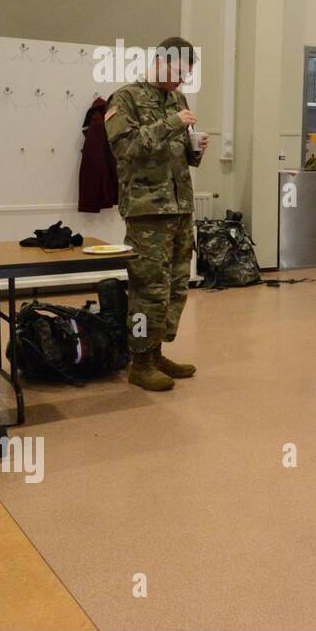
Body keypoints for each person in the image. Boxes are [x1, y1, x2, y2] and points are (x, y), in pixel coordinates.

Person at [104, 36, 207, 392]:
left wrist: (196, 151)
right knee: (148, 288)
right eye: (179, 71)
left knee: (176, 286)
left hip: (180, 206)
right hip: (148, 210)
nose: (182, 80)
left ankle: (156, 351)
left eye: (187, 73)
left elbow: (177, 151)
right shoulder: (126, 98)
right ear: (161, 61)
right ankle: (140, 362)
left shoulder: (176, 98)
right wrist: (172, 124)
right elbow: (126, 149)